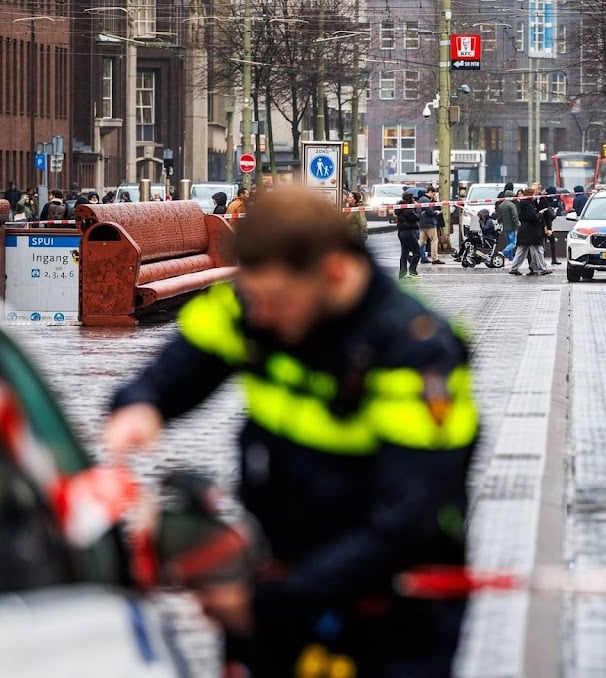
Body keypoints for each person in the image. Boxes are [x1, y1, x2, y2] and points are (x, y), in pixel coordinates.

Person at [102, 186, 477, 677]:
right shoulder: (255, 304)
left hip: (391, 604)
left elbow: (407, 520)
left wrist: (271, 603)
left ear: (334, 271)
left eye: (274, 301)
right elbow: (181, 365)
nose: (258, 317)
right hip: (282, 574)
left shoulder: (416, 352)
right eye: (251, 299)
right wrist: (142, 405)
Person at [508, 187, 549, 276]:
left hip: (524, 230)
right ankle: (542, 268)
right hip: (532, 231)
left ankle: (513, 268)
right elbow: (532, 217)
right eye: (534, 194)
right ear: (530, 195)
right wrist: (540, 214)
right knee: (538, 250)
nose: (535, 196)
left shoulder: (522, 204)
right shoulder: (529, 206)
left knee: (521, 251)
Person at [394, 190, 422, 278]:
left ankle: (402, 273)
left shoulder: (400, 207)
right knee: (417, 252)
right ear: (410, 199)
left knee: (404, 254)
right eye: (412, 197)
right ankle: (412, 270)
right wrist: (417, 210)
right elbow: (415, 217)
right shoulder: (408, 208)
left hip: (401, 232)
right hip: (408, 231)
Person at [418, 186, 444, 265]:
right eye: (433, 193)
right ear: (429, 192)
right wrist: (436, 212)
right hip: (430, 224)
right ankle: (434, 258)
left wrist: (435, 201)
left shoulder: (422, 199)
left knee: (421, 241)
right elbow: (430, 212)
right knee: (434, 240)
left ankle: (410, 253)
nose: (434, 195)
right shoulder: (426, 200)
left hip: (422, 223)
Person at [496, 190, 521, 260]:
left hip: (505, 227)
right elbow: (515, 216)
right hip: (512, 227)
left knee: (508, 243)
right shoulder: (511, 205)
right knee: (513, 243)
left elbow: (499, 217)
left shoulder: (501, 205)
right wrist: (517, 225)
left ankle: (510, 257)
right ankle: (503, 252)